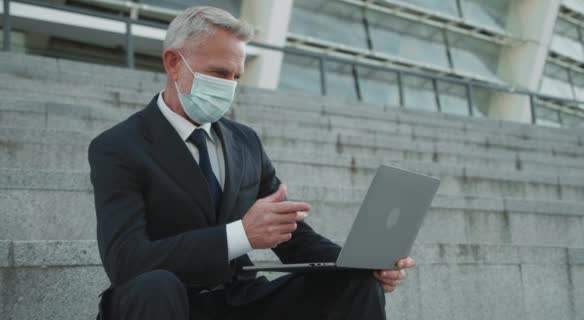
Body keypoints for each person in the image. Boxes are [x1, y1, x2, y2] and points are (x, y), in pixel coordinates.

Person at [88, 6, 415, 320]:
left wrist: (364, 263)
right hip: (163, 301)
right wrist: (240, 235)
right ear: (173, 63)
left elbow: (294, 237)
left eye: (236, 76)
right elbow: (126, 260)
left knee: (356, 283)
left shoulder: (245, 142)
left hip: (239, 299)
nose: (228, 85)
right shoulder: (118, 147)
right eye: (219, 73)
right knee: (154, 285)